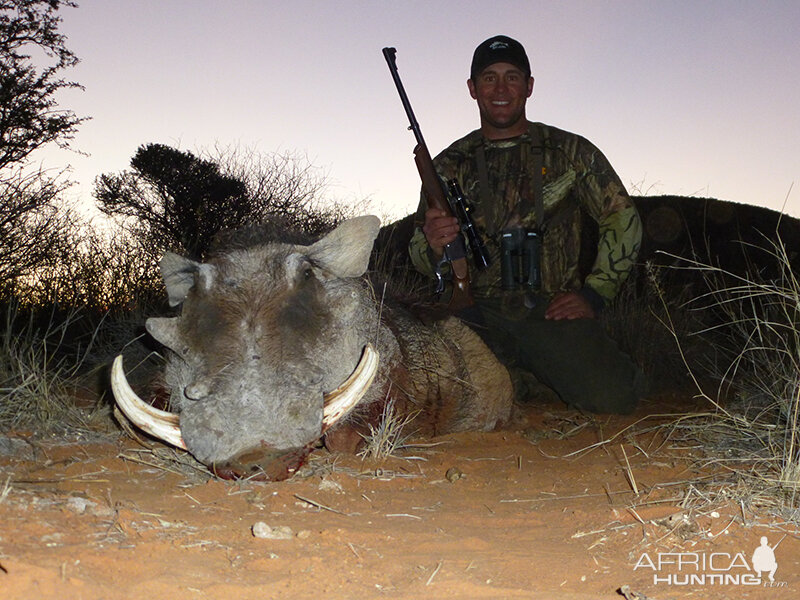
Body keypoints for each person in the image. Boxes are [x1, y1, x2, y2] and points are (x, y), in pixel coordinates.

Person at [408, 35, 644, 414]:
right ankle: (521, 379)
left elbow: (622, 217)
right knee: (434, 397)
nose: (500, 89)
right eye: (489, 78)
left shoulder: (570, 150)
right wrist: (434, 244)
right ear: (472, 88)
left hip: (550, 309)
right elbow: (420, 253)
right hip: (476, 310)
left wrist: (595, 294)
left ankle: (536, 374)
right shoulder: (448, 164)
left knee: (613, 398)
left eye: (512, 77)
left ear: (529, 86)